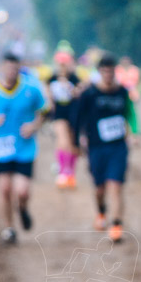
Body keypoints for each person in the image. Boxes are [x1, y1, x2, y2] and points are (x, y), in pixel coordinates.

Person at [0, 52, 50, 244]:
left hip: (25, 148)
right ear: (1, 67)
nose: (11, 71)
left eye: (15, 68)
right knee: (5, 189)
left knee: (22, 191)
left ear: (19, 68)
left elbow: (45, 110)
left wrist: (34, 126)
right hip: (1, 148)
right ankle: (9, 228)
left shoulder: (31, 87)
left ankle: (22, 208)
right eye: (8, 67)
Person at [73, 53, 140, 243]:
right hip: (96, 147)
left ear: (115, 72)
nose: (108, 75)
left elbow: (131, 113)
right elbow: (78, 118)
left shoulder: (122, 92)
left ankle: (116, 224)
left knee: (116, 186)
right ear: (99, 72)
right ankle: (101, 212)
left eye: (111, 71)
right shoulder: (89, 94)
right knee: (100, 188)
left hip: (118, 147)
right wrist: (76, 142)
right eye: (105, 71)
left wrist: (135, 132)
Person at [46, 52, 83, 189]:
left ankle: (71, 173)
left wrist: (74, 90)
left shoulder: (74, 79)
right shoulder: (52, 78)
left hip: (73, 114)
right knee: (63, 141)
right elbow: (48, 95)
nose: (62, 67)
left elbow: (80, 93)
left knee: (72, 144)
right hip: (58, 114)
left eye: (64, 64)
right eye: (60, 64)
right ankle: (62, 172)